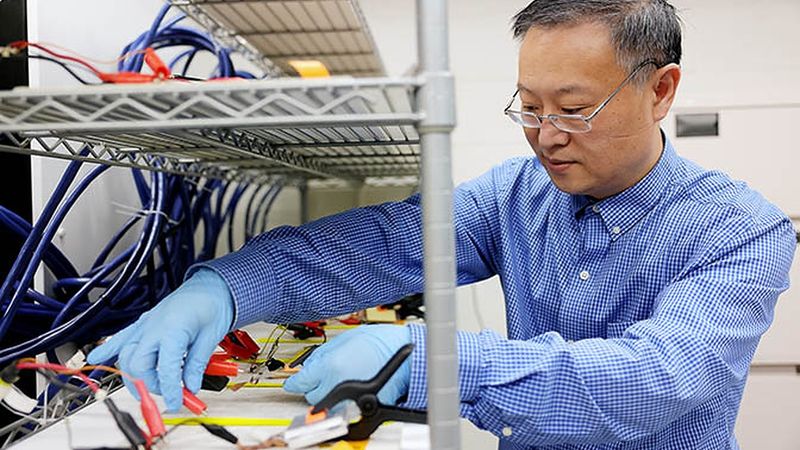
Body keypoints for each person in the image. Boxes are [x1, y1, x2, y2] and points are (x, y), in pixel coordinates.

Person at [89, 1, 796, 448]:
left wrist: (427, 359)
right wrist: (226, 288)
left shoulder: (741, 231)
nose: (545, 135)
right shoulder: (515, 195)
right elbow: (381, 245)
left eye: (574, 108)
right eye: (528, 106)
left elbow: (653, 378)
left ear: (660, 90)